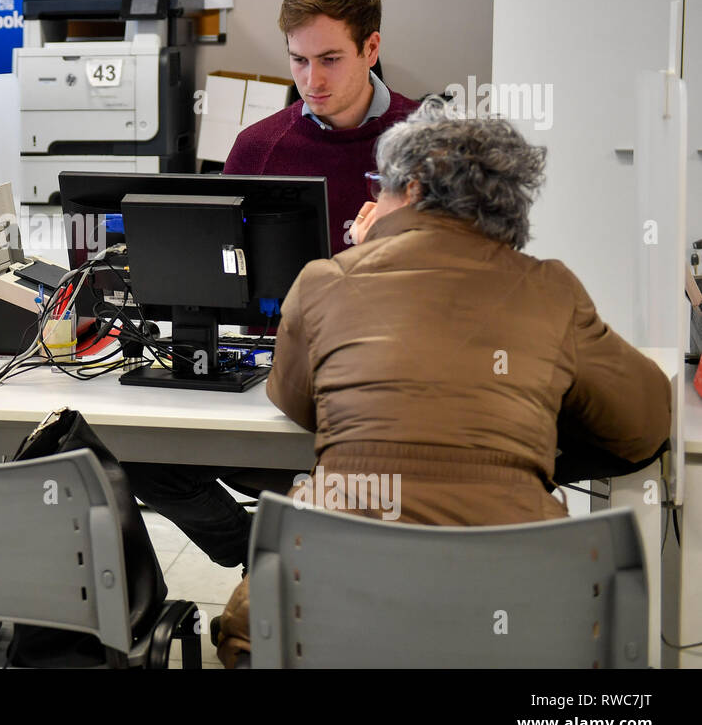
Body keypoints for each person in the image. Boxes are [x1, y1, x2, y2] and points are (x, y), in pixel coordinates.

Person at [213, 98, 671, 666]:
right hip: (519, 612)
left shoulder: (325, 280)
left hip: (333, 605)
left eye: (380, 185)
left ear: (410, 193)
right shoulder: (552, 289)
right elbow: (645, 427)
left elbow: (296, 400)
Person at [223, 0, 421, 254]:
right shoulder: (256, 148)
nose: (312, 81)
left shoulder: (431, 145)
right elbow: (224, 270)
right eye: (300, 60)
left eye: (330, 59)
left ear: (371, 49)